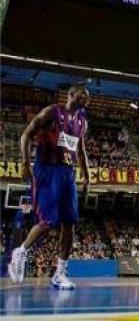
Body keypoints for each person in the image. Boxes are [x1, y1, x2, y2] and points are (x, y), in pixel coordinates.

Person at [8, 85, 91, 290]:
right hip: (47, 170)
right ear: (71, 95)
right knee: (48, 221)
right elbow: (26, 135)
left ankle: (59, 273)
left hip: (67, 173)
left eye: (88, 96)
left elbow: (80, 151)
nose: (86, 97)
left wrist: (87, 178)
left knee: (70, 223)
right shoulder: (53, 112)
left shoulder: (82, 122)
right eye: (83, 93)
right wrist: (26, 163)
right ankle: (21, 252)